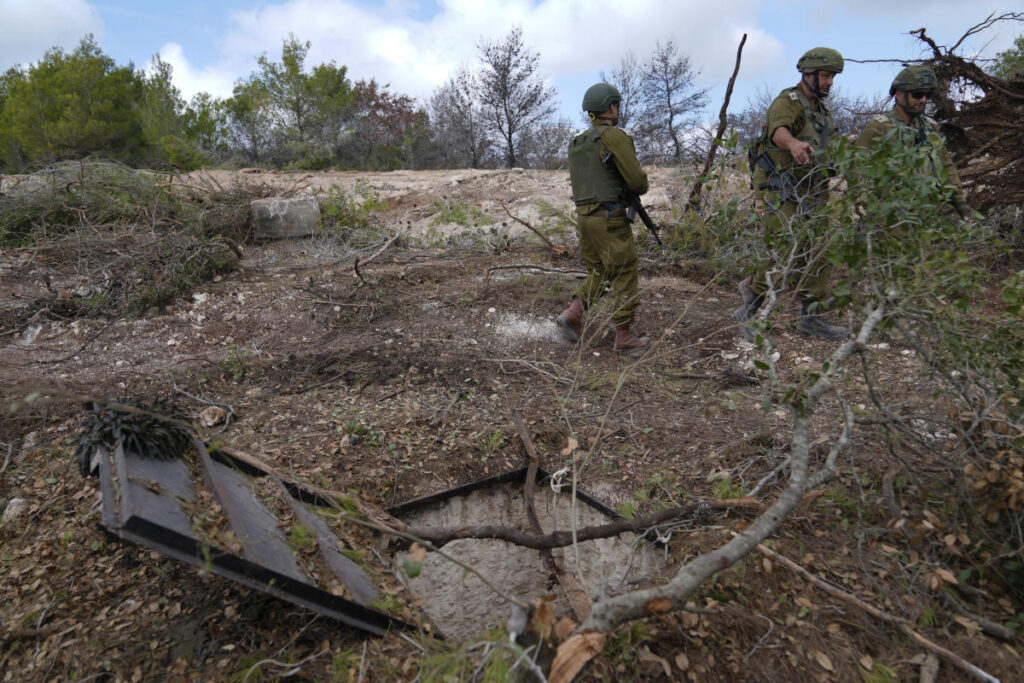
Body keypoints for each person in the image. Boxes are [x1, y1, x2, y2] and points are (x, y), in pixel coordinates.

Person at [735, 47, 849, 341]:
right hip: (781, 189)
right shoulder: (788, 102)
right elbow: (778, 132)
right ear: (807, 74)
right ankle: (750, 314)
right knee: (781, 253)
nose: (829, 82)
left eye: (832, 77)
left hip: (813, 191)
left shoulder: (822, 112)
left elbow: (833, 148)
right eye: (825, 76)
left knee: (819, 252)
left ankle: (810, 319)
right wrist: (794, 144)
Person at [556, 82, 652, 356]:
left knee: (600, 271)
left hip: (585, 219)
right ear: (611, 106)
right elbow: (637, 181)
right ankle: (624, 336)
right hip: (610, 218)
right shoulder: (614, 137)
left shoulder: (577, 143)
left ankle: (573, 314)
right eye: (617, 104)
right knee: (624, 271)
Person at [853, 65, 973, 218]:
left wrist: (960, 203)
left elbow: (946, 166)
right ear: (899, 94)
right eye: (917, 95)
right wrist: (871, 209)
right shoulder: (878, 128)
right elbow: (858, 171)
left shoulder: (930, 127)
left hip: (928, 217)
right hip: (890, 220)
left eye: (927, 95)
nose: (923, 100)